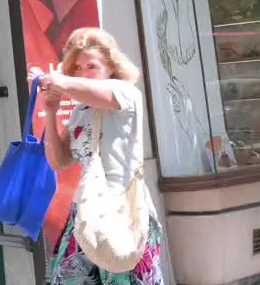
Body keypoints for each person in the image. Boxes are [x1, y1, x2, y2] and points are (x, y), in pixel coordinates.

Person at [30, 27, 164, 285]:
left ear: (111, 66)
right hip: (86, 211)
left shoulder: (125, 92)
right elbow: (59, 161)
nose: (82, 73)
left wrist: (52, 79)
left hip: (124, 210)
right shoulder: (81, 109)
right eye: (77, 68)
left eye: (90, 66)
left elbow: (70, 84)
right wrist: (50, 111)